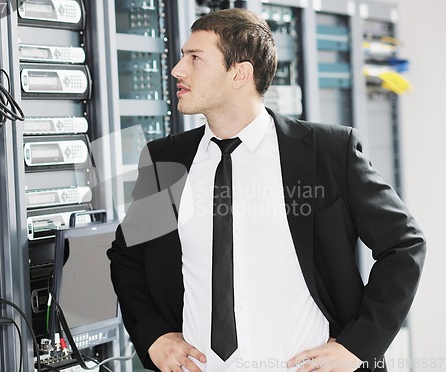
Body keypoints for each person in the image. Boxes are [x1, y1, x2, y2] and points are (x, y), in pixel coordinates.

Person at [108, 8, 425, 372]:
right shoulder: (168, 159)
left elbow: (404, 244)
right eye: (183, 56)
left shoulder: (327, 152)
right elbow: (128, 258)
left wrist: (358, 346)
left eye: (195, 58)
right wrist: (153, 336)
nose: (178, 70)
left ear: (239, 73)